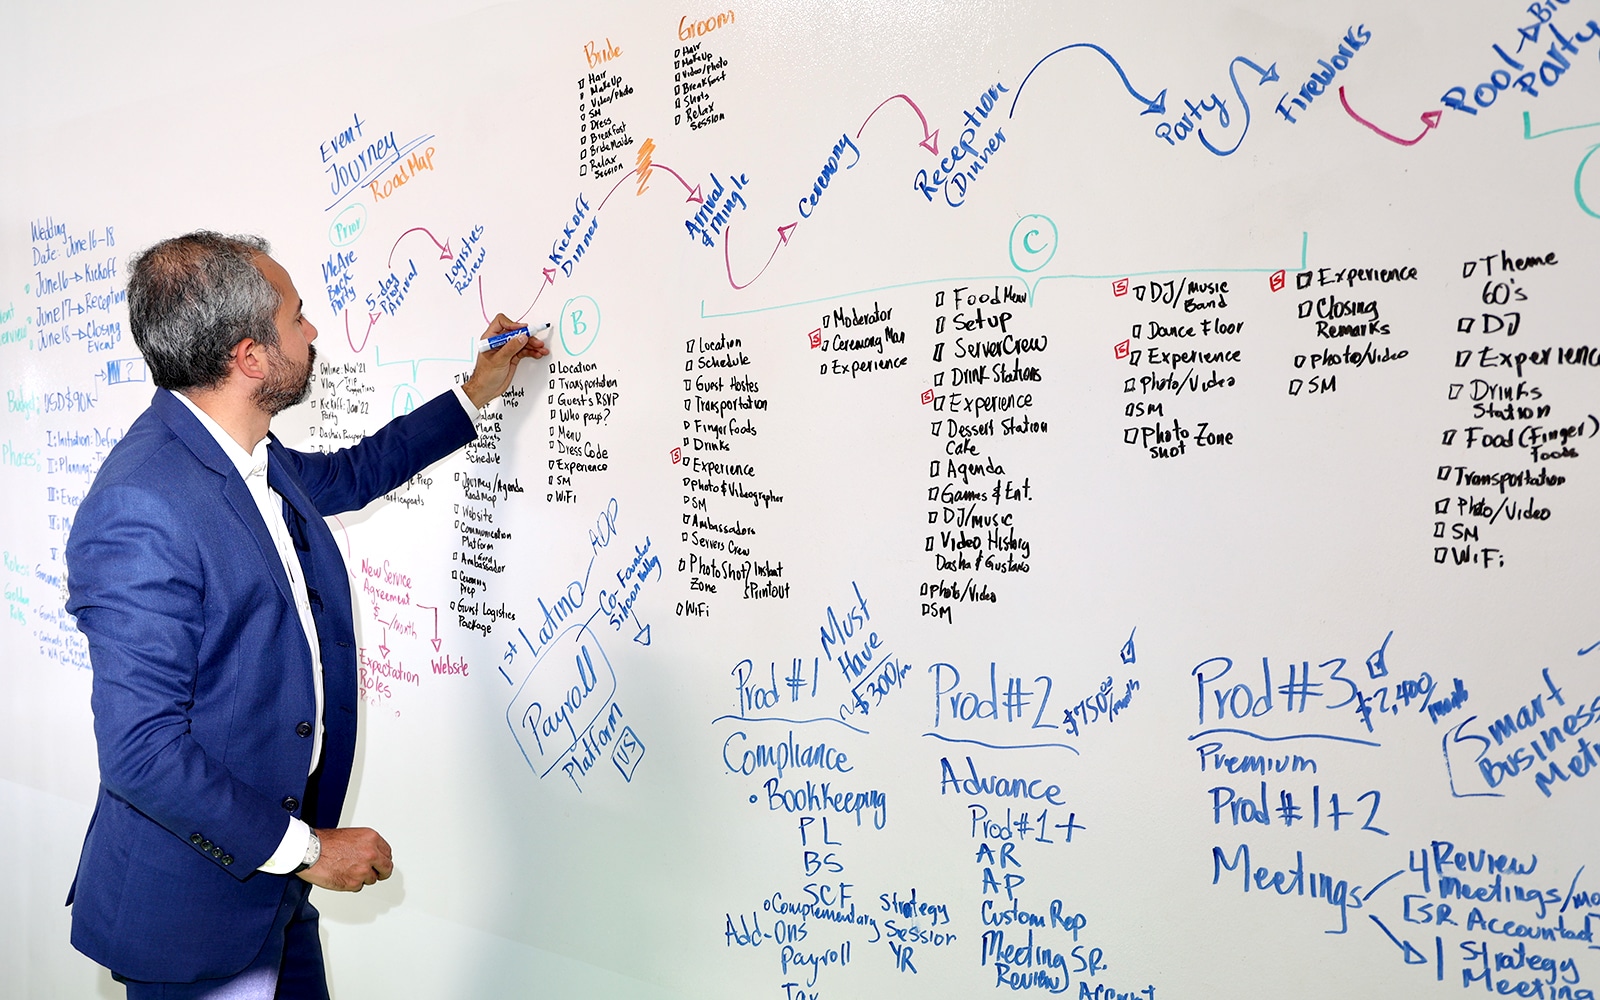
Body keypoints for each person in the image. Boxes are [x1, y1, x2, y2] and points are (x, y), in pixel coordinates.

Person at [63, 231, 548, 998]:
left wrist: (476, 392)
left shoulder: (248, 456)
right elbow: (142, 752)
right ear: (251, 357)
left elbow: (355, 473)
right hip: (196, 918)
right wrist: (311, 851)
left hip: (273, 898)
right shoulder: (142, 504)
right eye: (297, 317)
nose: (312, 330)